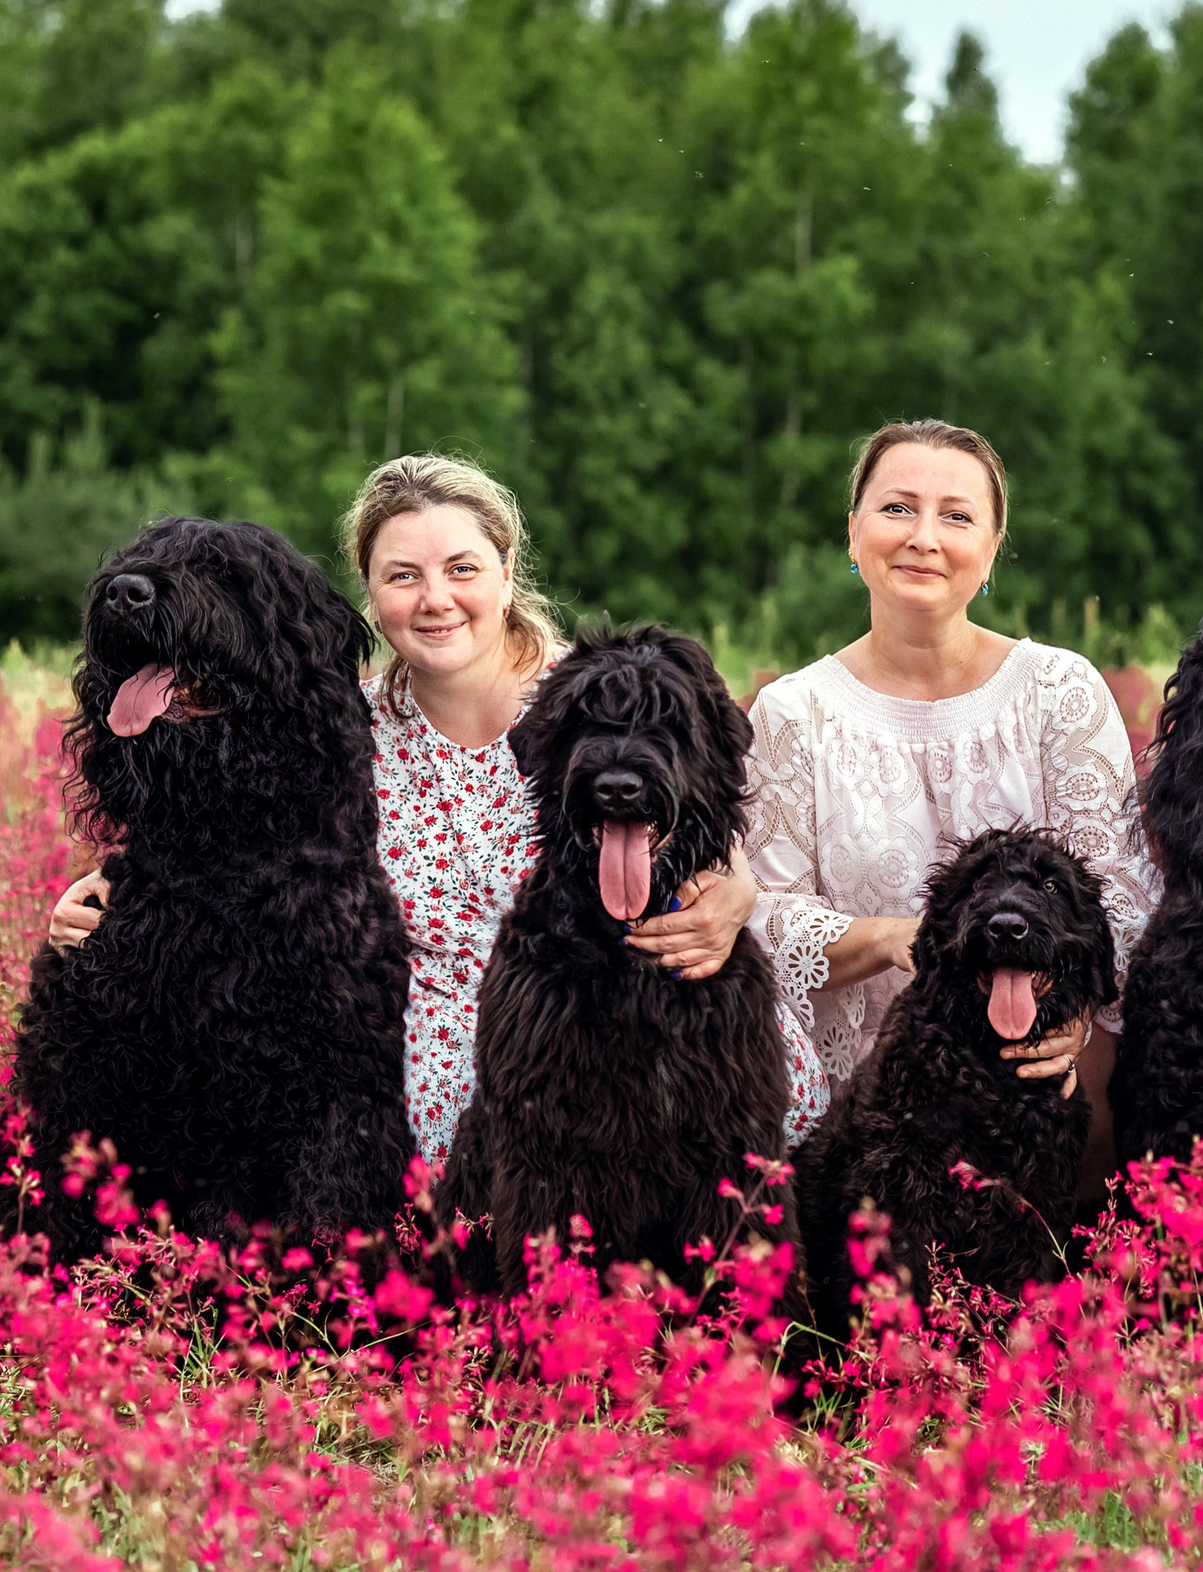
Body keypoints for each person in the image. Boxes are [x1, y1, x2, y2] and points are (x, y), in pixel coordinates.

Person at [46, 456, 790, 1158]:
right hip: (424, 1067)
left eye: (461, 569)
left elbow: (697, 808)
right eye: (403, 575)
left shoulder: (602, 699)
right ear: (369, 593)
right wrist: (102, 887)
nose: (435, 599)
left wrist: (737, 886)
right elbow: (205, 831)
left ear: (507, 571)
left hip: (608, 1033)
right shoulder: (330, 729)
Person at [744, 419, 1158, 1188]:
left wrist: (1065, 1018)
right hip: (867, 1096)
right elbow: (764, 915)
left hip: (1042, 1064)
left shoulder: (1057, 693)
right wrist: (891, 937)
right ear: (852, 531)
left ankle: (1084, 1270)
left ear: (994, 547)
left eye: (957, 516)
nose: (923, 538)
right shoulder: (792, 714)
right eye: (897, 508)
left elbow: (1121, 902)